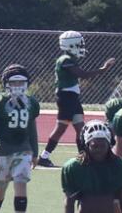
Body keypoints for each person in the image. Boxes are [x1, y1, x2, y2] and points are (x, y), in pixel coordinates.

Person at [41, 30, 114, 166]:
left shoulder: (70, 59)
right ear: (71, 44)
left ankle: (84, 156)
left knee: (81, 129)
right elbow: (83, 75)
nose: (81, 46)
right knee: (61, 128)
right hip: (66, 97)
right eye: (79, 43)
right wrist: (103, 69)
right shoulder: (65, 60)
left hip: (72, 97)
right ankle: (44, 156)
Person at [0, 64, 40, 213]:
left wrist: (35, 152)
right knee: (0, 185)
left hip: (22, 149)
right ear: (6, 84)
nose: (17, 86)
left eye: (21, 82)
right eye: (13, 82)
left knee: (21, 182)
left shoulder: (31, 103)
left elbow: (32, 128)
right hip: (3, 149)